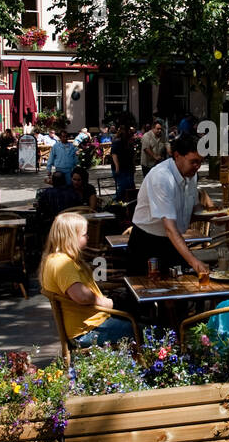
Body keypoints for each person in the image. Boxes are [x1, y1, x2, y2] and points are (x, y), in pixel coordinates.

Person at [40, 210, 136, 347]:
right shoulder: (63, 263)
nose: (88, 237)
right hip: (88, 331)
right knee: (156, 332)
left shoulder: (56, 259)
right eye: (85, 234)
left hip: (88, 325)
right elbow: (82, 296)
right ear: (71, 238)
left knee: (140, 320)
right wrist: (108, 302)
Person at [125, 133, 209, 276]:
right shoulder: (162, 177)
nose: (197, 167)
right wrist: (193, 261)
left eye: (200, 162)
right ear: (177, 156)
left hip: (173, 242)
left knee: (179, 290)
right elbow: (170, 228)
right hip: (147, 243)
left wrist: (214, 215)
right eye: (194, 161)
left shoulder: (192, 175)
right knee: (147, 292)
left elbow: (194, 209)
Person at [110, 122, 136, 194]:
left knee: (131, 186)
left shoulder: (130, 141)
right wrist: (117, 166)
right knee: (123, 187)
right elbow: (114, 154)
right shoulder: (117, 141)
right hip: (120, 167)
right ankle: (114, 202)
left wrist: (133, 166)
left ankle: (128, 202)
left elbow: (133, 154)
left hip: (128, 167)